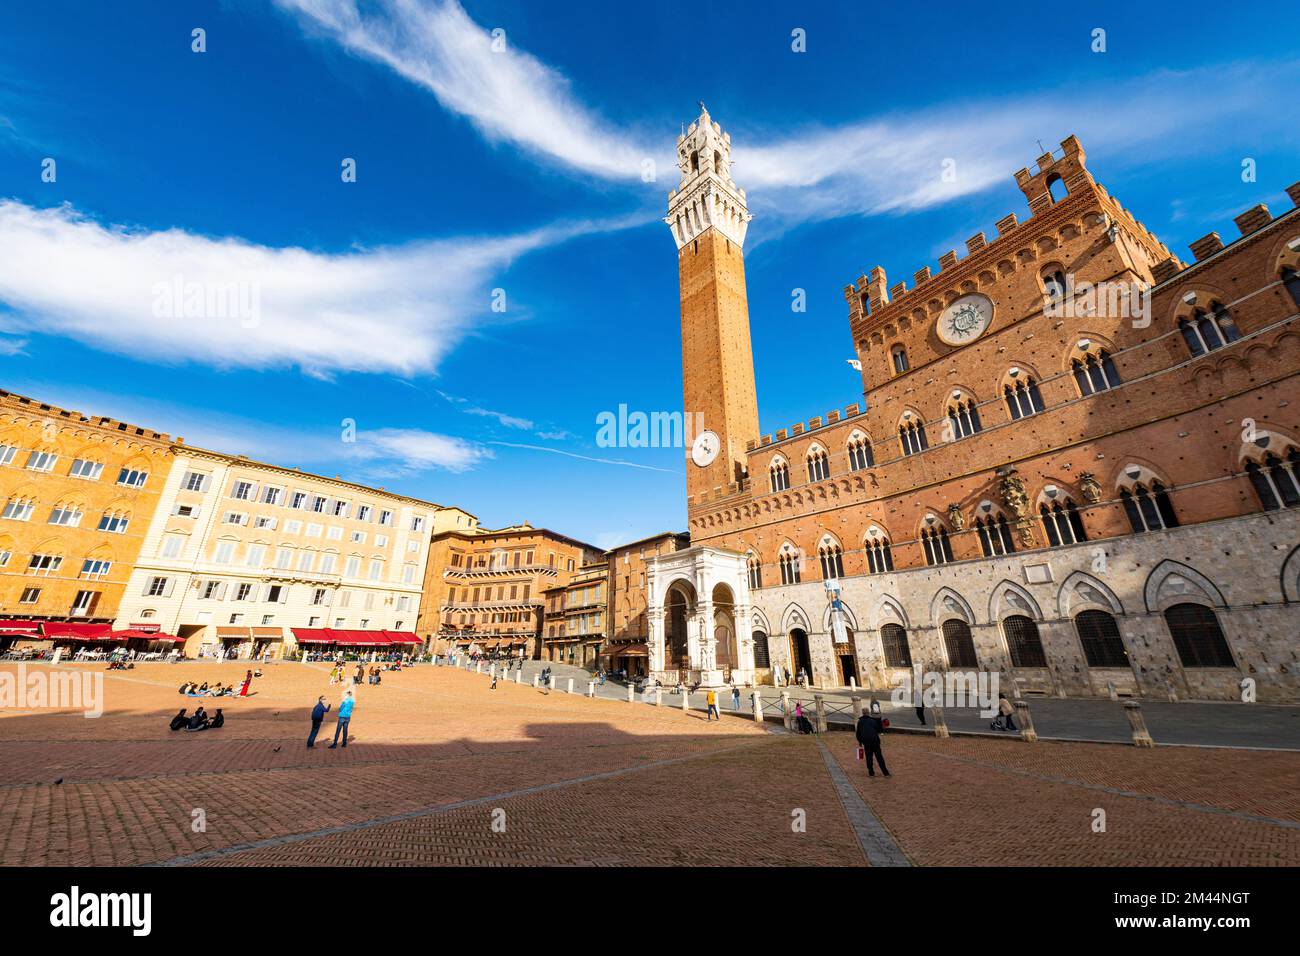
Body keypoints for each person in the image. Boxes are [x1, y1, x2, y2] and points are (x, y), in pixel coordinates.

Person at [855, 708, 890, 777]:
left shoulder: (860, 722)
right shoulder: (872, 721)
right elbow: (878, 730)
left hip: (866, 742)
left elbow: (858, 733)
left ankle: (871, 773)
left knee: (869, 757)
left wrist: (860, 741)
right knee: (879, 757)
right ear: (868, 713)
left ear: (863, 713)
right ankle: (885, 773)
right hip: (875, 741)